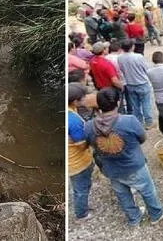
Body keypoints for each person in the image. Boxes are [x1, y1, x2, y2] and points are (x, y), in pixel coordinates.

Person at [84, 88, 163, 226]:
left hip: (111, 169)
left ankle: (134, 218)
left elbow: (91, 144)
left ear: (99, 105)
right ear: (118, 101)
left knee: (123, 194)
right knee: (147, 190)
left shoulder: (89, 126)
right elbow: (142, 138)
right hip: (134, 165)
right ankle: (156, 214)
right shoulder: (129, 121)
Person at [68, 83, 94, 221]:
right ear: (74, 101)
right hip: (78, 164)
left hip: (73, 163)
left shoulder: (70, 111)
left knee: (81, 188)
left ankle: (82, 209)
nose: (84, 100)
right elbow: (81, 145)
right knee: (81, 189)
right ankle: (82, 214)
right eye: (81, 98)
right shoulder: (73, 120)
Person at [118, 39, 154, 129]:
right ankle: (149, 122)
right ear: (132, 47)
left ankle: (139, 122)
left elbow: (122, 70)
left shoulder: (120, 58)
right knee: (146, 103)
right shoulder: (138, 57)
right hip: (142, 83)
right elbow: (146, 69)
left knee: (135, 105)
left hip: (130, 84)